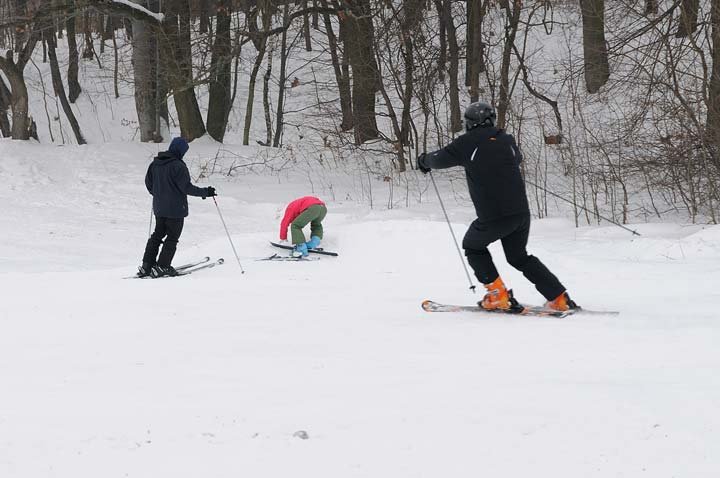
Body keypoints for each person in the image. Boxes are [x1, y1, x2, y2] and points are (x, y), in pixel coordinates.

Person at [417, 102, 578, 312]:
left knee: (473, 246)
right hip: (520, 214)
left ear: (469, 123)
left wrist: (423, 160)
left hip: (494, 216)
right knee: (519, 257)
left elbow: (438, 160)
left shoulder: (467, 143)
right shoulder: (506, 139)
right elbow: (516, 158)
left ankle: (498, 295)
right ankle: (559, 298)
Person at [138, 137, 216, 278]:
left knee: (157, 236)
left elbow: (149, 184)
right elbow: (186, 188)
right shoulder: (178, 166)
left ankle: (146, 265)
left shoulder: (155, 164)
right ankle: (162, 266)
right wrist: (206, 192)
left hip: (159, 208)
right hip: (175, 210)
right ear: (180, 151)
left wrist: (158, 195)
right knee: (172, 238)